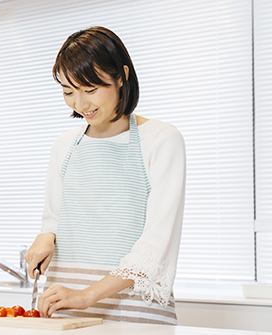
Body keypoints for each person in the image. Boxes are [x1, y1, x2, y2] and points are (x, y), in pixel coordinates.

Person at [23, 26, 186, 325]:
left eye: (91, 90)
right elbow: (54, 218)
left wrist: (86, 295)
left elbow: (156, 244)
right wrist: (45, 238)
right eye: (68, 92)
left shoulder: (161, 139)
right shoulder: (64, 145)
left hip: (133, 313)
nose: (80, 105)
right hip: (66, 310)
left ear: (121, 76)